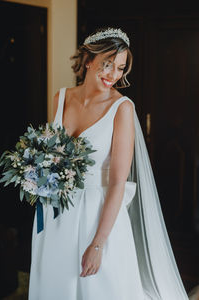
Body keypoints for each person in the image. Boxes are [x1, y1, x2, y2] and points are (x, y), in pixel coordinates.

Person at [28, 27, 191, 299]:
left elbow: (117, 182)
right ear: (88, 60)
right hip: (56, 211)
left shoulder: (122, 108)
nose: (113, 74)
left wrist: (98, 244)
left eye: (120, 68)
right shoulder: (61, 98)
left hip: (98, 216)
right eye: (107, 64)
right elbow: (51, 154)